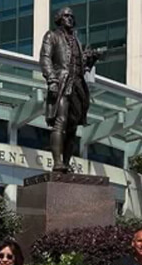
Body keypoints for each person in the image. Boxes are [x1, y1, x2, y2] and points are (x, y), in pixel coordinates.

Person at [40, 6, 100, 172]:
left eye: (72, 17)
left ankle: (66, 163)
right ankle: (57, 162)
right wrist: (52, 80)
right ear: (59, 18)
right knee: (61, 122)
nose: (70, 19)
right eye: (66, 16)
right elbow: (45, 59)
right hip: (61, 83)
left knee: (73, 126)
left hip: (77, 85)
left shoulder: (76, 41)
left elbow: (82, 66)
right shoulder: (52, 36)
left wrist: (90, 59)